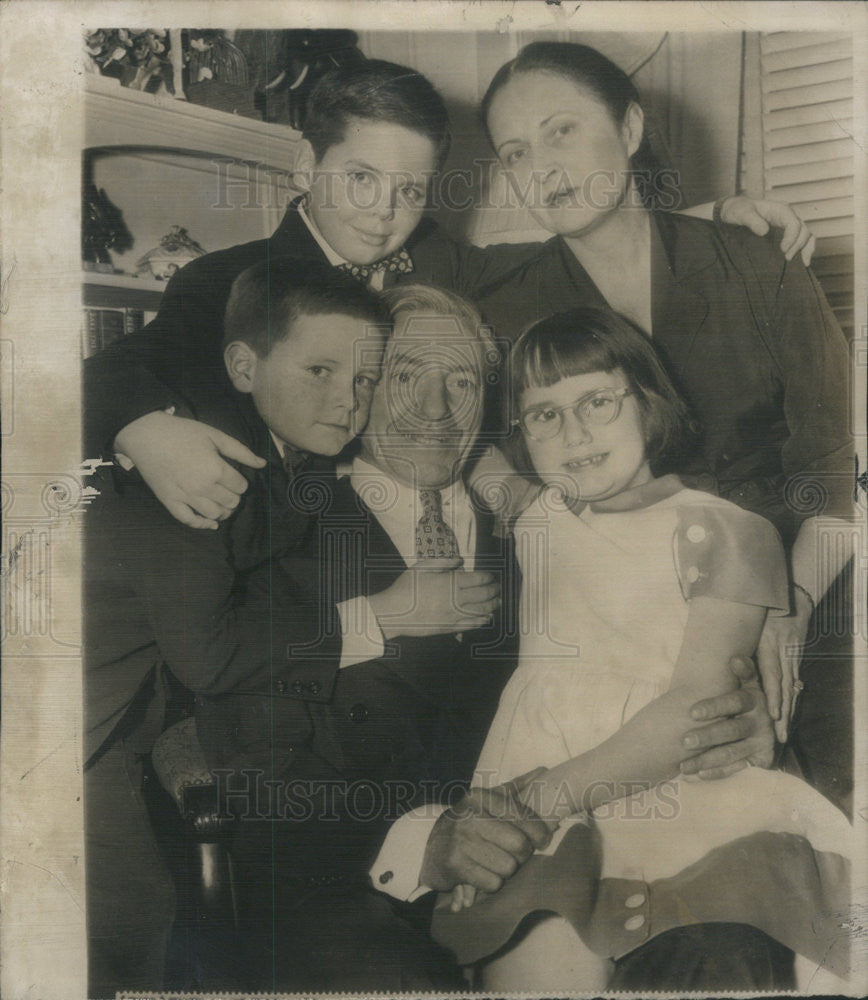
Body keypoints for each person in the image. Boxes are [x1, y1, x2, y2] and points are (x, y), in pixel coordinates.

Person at [193, 284, 778, 993]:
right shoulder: (281, 531)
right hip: (353, 878)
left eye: (462, 381)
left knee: (720, 957)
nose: (436, 410)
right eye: (406, 376)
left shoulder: (545, 524)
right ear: (364, 387)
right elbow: (248, 758)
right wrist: (427, 843)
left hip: (575, 844)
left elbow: (674, 618)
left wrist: (751, 714)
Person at [83, 58, 813, 535]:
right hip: (277, 559)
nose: (382, 211)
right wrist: (143, 428)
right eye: (360, 178)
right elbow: (109, 370)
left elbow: (562, 245)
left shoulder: (432, 259)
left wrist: (711, 217)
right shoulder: (229, 278)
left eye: (409, 190)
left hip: (417, 538)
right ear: (307, 165)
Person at [470, 40, 854, 803]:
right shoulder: (506, 303)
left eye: (562, 131)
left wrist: (791, 610)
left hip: (797, 573)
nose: (541, 166)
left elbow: (833, 475)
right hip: (619, 605)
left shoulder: (759, 265)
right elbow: (458, 426)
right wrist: (519, 504)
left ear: (632, 128)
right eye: (515, 152)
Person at [431, 308, 851, 994]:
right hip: (538, 812)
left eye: (598, 400)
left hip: (670, 796)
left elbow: (694, 710)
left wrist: (540, 799)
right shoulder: (540, 518)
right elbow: (457, 430)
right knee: (534, 962)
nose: (574, 433)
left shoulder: (728, 530)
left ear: (649, 400)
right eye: (544, 415)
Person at [84, 262, 396, 996]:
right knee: (123, 930)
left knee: (133, 924)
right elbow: (213, 656)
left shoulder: (269, 446)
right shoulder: (204, 454)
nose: (346, 401)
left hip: (111, 727)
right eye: (319, 369)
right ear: (242, 366)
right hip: (66, 721)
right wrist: (386, 614)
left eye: (364, 380)